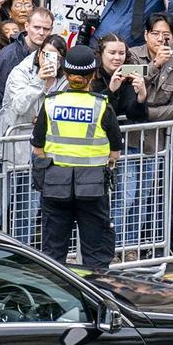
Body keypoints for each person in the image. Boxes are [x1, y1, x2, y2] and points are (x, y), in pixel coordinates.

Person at [31, 45, 123, 270]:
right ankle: (99, 297)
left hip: (55, 185)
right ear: (92, 75)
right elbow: (115, 152)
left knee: (53, 254)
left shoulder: (51, 103)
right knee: (96, 255)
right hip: (93, 188)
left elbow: (37, 148)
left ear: (65, 73)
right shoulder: (101, 106)